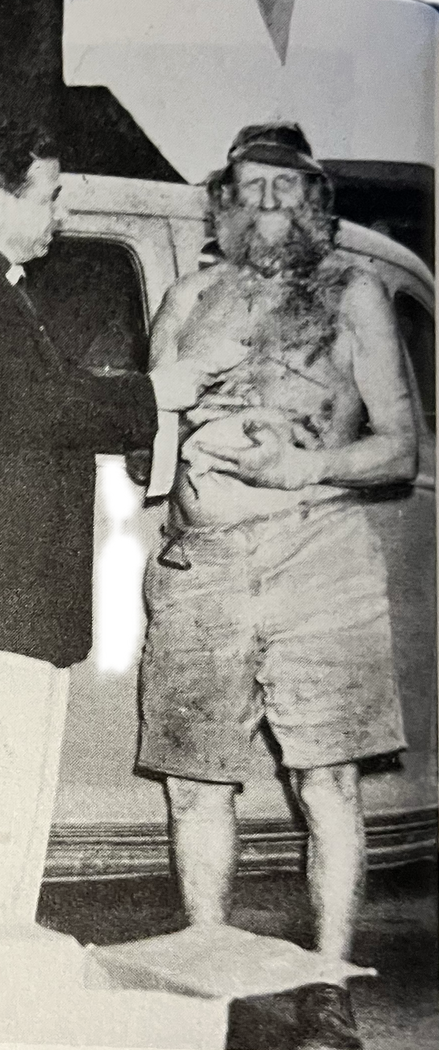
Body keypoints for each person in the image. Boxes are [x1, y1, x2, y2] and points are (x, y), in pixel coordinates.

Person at [0, 118, 234, 922]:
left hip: (6, 609)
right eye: (49, 196)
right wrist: (157, 392)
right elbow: (42, 406)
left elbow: (30, 407)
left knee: (6, 824)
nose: (61, 214)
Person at [137, 122, 418, 1050]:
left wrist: (303, 466)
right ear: (224, 201)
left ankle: (328, 989)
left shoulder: (354, 292)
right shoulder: (187, 297)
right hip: (202, 568)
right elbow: (151, 436)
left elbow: (399, 449)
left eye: (285, 187)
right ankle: (206, 979)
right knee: (193, 785)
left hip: (318, 554)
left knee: (326, 780)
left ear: (314, 200)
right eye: (250, 186)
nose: (266, 203)